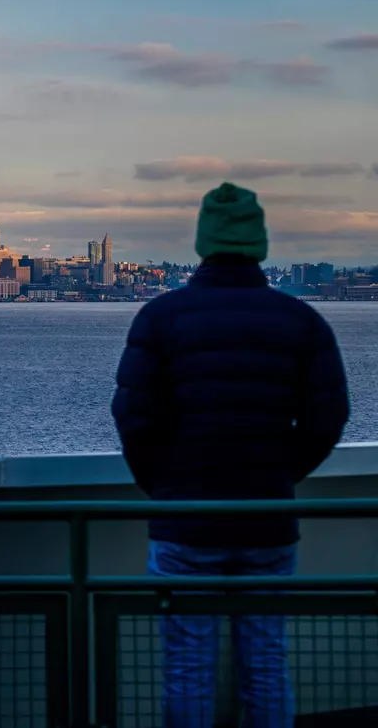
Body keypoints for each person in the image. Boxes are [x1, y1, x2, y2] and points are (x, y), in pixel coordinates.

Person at [111, 183, 350, 728]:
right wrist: (280, 475)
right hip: (266, 516)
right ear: (259, 244)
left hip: (184, 520)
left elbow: (133, 418)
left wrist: (165, 488)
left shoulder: (159, 318)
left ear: (203, 243)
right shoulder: (302, 322)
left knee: (187, 670)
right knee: (266, 664)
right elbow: (328, 418)